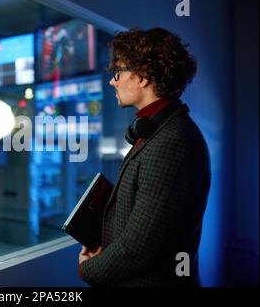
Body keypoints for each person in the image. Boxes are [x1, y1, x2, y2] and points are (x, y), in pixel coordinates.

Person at [78, 27, 211, 287]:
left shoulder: (172, 143)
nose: (112, 81)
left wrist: (88, 269)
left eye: (118, 73)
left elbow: (139, 247)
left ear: (143, 76)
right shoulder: (159, 130)